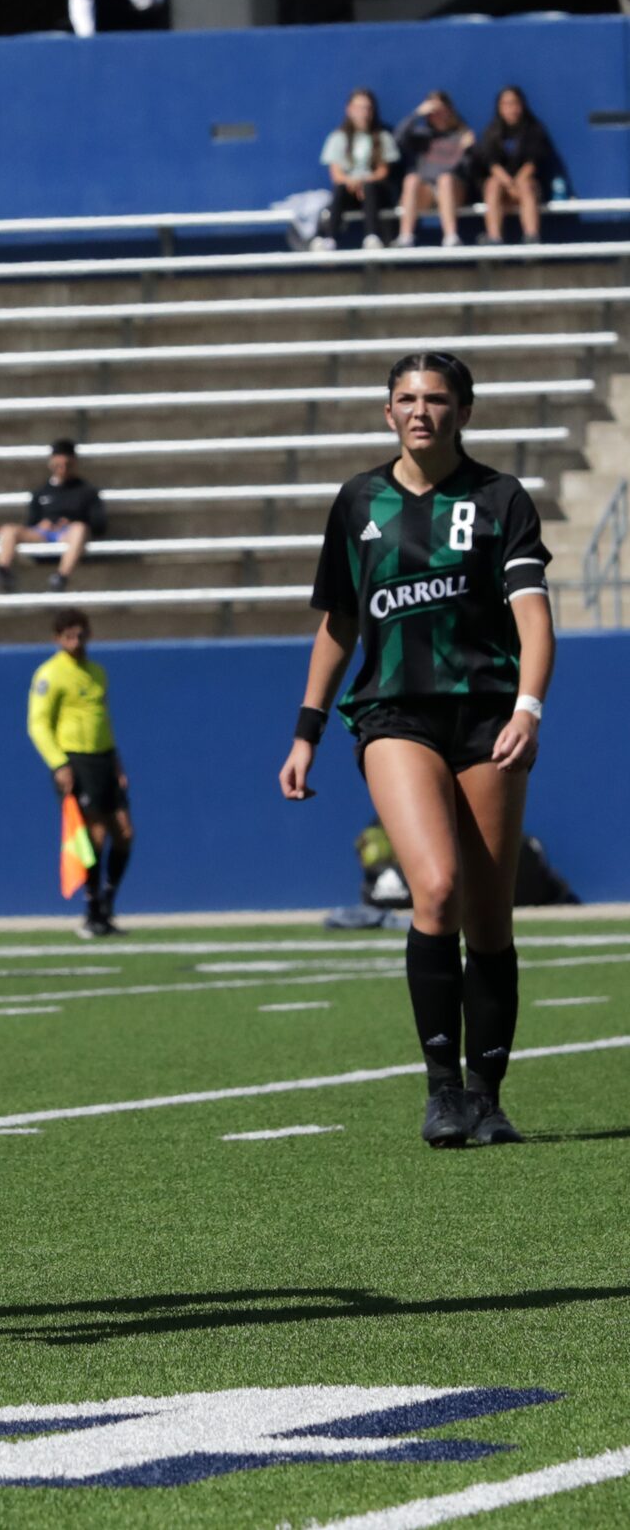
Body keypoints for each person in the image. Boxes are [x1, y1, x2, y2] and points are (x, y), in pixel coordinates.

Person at [279, 351, 555, 1148]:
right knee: (433, 889)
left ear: (464, 411)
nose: (421, 411)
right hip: (393, 714)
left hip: (487, 721)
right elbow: (338, 623)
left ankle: (487, 1096)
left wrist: (529, 709)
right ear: (387, 411)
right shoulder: (358, 500)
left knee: (489, 920)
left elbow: (534, 621)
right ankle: (441, 1093)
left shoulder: (501, 499)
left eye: (437, 399)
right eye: (406, 398)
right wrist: (308, 730)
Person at [27, 608, 134, 938]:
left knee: (124, 833)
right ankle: (91, 912)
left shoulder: (96, 672)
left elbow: (104, 721)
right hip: (76, 761)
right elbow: (38, 723)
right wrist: (59, 763)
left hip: (103, 759)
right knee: (94, 834)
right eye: (68, 636)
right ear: (57, 639)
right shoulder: (50, 674)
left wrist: (116, 763)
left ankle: (106, 903)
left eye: (80, 634)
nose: (75, 641)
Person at [0, 439, 107, 592]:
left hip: (68, 534)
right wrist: (41, 525)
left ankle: (62, 575)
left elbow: (99, 524)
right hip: (43, 534)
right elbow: (31, 522)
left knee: (80, 529)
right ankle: (2, 568)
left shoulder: (87, 492)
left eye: (66, 465)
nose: (62, 469)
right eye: (58, 465)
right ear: (51, 463)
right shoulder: (41, 492)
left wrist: (71, 523)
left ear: (74, 463)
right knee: (8, 529)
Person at [314, 88, 399, 250]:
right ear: (349, 110)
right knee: (339, 189)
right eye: (360, 108)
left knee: (369, 188)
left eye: (368, 108)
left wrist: (363, 182)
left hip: (375, 193)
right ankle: (330, 239)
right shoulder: (337, 138)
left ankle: (372, 237)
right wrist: (352, 183)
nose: (364, 113)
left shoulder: (383, 137)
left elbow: (383, 172)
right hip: (348, 193)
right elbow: (336, 175)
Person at [394, 92, 476, 248]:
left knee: (445, 179)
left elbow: (465, 169)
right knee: (411, 179)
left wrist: (464, 150)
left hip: (452, 190)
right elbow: (398, 139)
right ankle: (405, 237)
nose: (437, 115)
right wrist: (416, 114)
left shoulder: (461, 136)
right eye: (433, 110)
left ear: (449, 110)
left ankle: (451, 237)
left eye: (440, 110)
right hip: (426, 192)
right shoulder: (421, 135)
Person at [476, 86, 553, 246]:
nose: (511, 108)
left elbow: (532, 164)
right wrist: (509, 184)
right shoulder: (492, 132)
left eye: (514, 103)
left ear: (522, 105)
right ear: (499, 107)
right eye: (506, 104)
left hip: (526, 187)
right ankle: (494, 238)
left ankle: (531, 237)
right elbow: (492, 165)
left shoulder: (534, 130)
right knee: (492, 184)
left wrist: (516, 184)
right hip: (503, 187)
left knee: (526, 184)